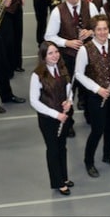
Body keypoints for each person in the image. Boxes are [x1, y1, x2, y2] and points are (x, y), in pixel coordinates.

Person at [75, 15, 110, 177]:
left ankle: (107, 156)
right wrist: (97, 89)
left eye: (105, 29)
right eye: (99, 29)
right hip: (96, 97)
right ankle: (89, 161)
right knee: (97, 130)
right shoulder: (85, 50)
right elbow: (79, 74)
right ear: (93, 31)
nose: (102, 32)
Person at [44, 0, 98, 127]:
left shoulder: (90, 6)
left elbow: (100, 27)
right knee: (67, 91)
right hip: (68, 57)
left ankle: (91, 116)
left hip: (88, 56)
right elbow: (49, 36)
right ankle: (68, 123)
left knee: (89, 88)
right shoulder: (57, 11)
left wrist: (91, 32)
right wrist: (67, 43)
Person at [29, 41, 74, 195]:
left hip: (63, 115)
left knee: (62, 146)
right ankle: (57, 181)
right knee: (53, 149)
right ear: (43, 56)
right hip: (48, 118)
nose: (55, 55)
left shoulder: (62, 69)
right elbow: (34, 101)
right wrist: (56, 114)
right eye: (50, 53)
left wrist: (70, 102)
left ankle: (64, 176)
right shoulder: (37, 75)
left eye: (56, 52)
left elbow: (69, 88)